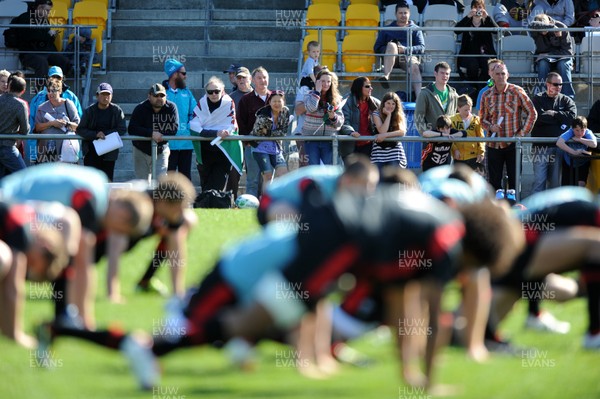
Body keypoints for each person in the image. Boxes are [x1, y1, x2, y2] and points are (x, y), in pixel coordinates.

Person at [1, 163, 154, 330]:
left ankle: (62, 315)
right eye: (119, 230)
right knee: (69, 250)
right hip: (8, 201)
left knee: (63, 250)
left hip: (10, 195)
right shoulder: (91, 200)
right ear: (122, 215)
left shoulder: (98, 182)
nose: (112, 233)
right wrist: (87, 323)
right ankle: (67, 318)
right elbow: (83, 265)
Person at [0, 201, 81, 348]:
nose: (28, 266)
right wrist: (15, 335)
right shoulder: (23, 231)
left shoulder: (27, 223)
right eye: (33, 263)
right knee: (2, 259)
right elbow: (13, 288)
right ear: (45, 246)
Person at [479, 63, 537, 191]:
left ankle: (514, 209)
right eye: (497, 74)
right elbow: (482, 119)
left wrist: (521, 134)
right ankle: (496, 210)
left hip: (513, 145)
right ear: (492, 76)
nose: (500, 76)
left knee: (514, 183)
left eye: (503, 73)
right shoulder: (486, 95)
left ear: (508, 75)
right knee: (493, 184)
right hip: (494, 144)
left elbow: (532, 113)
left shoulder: (517, 91)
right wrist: (490, 127)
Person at [190, 77, 243, 192]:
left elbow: (231, 125)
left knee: (219, 182)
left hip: (223, 149)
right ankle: (205, 205)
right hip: (205, 149)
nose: (214, 94)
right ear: (206, 92)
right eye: (210, 92)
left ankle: (216, 204)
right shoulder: (202, 103)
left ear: (222, 90)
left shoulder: (228, 103)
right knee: (205, 182)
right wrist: (215, 133)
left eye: (217, 91)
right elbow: (194, 125)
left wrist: (222, 132)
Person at [530, 72, 577, 193]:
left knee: (555, 183)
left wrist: (555, 114)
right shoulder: (537, 99)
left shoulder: (566, 100)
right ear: (547, 84)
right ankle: (537, 211)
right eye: (555, 84)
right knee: (539, 181)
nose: (559, 87)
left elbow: (572, 118)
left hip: (558, 147)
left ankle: (553, 211)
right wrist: (560, 120)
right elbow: (538, 118)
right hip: (541, 147)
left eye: (561, 84)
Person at [28, 66, 83, 164]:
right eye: (53, 77)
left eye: (59, 78)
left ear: (62, 79)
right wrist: (33, 153)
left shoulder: (71, 99)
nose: (56, 80)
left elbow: (79, 125)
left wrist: (66, 124)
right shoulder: (38, 99)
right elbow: (33, 127)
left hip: (66, 149)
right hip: (45, 149)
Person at [9, 0, 71, 80]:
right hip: (29, 53)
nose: (48, 13)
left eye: (49, 10)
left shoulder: (45, 20)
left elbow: (46, 39)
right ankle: (40, 90)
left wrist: (52, 35)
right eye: (47, 10)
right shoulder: (25, 18)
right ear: (39, 8)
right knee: (42, 62)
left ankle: (58, 88)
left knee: (64, 60)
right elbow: (29, 37)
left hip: (45, 52)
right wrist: (48, 34)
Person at [129, 83, 179, 182]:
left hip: (161, 149)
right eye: (156, 95)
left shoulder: (171, 107)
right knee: (142, 184)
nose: (159, 98)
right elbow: (132, 128)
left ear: (166, 96)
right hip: (141, 149)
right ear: (149, 96)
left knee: (160, 182)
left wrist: (158, 134)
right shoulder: (140, 108)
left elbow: (174, 129)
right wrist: (151, 133)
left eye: (162, 95)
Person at [77, 83, 126, 181]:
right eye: (103, 94)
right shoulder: (89, 111)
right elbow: (80, 129)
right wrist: (96, 134)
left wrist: (106, 134)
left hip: (109, 152)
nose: (105, 97)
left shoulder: (117, 110)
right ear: (97, 95)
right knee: (90, 183)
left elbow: (122, 129)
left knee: (107, 182)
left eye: (108, 94)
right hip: (91, 152)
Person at [374, 2, 424, 97]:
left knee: (414, 67)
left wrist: (405, 49)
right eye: (400, 13)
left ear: (409, 13)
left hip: (407, 57)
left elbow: (421, 47)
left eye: (405, 13)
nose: (403, 15)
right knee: (392, 45)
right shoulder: (387, 29)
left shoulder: (416, 29)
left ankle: (419, 98)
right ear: (395, 14)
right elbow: (377, 47)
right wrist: (392, 49)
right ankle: (386, 76)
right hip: (390, 58)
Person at [238, 67, 272, 197]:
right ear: (252, 80)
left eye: (265, 77)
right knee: (252, 181)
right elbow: (241, 122)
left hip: (271, 147)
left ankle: (267, 210)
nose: (263, 80)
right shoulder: (245, 100)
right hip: (252, 146)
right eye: (259, 78)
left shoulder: (275, 97)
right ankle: (249, 210)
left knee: (269, 182)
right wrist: (247, 141)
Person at [415, 62, 459, 159]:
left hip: (448, 141)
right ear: (435, 74)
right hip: (431, 141)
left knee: (446, 172)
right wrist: (425, 133)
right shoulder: (425, 93)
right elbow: (419, 117)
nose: (445, 76)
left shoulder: (453, 94)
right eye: (442, 73)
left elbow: (456, 116)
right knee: (429, 172)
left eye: (447, 73)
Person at [163, 59, 196, 181]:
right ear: (174, 74)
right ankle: (166, 200)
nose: (186, 76)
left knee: (185, 177)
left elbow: (195, 113)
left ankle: (187, 200)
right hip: (167, 143)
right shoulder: (162, 93)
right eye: (183, 73)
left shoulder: (187, 93)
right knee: (168, 177)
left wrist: (187, 128)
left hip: (186, 142)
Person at [302, 69, 344, 166]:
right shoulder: (308, 95)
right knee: (313, 170)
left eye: (328, 81)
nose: (326, 84)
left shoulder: (337, 99)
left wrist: (333, 117)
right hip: (311, 139)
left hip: (329, 140)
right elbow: (311, 108)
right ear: (317, 82)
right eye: (323, 81)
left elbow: (340, 123)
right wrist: (317, 92)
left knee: (331, 169)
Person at [251, 90, 290, 192]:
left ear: (283, 102)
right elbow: (257, 132)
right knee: (268, 177)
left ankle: (280, 199)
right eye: (274, 101)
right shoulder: (263, 114)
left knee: (283, 174)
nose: (277, 104)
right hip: (260, 148)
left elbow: (283, 132)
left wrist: (268, 133)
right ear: (269, 102)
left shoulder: (285, 112)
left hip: (276, 147)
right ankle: (266, 202)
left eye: (279, 101)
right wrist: (274, 132)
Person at [529, 14, 576, 98]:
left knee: (563, 65)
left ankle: (568, 97)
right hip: (545, 58)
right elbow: (531, 24)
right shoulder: (535, 28)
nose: (543, 32)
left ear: (549, 21)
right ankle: (542, 96)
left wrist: (548, 55)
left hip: (562, 56)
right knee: (542, 64)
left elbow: (567, 52)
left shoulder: (561, 27)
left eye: (545, 29)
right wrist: (551, 27)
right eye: (541, 29)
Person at [456, 0, 499, 89]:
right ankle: (473, 87)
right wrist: (468, 16)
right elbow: (456, 30)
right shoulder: (467, 21)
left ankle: (485, 88)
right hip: (468, 54)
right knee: (473, 64)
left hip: (485, 54)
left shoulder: (487, 22)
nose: (477, 10)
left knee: (487, 64)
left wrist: (487, 17)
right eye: (475, 7)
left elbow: (497, 31)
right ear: (471, 9)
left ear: (483, 9)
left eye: (480, 7)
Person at [340, 77, 380, 160]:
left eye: (370, 86)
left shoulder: (375, 102)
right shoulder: (347, 101)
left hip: (369, 144)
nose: (371, 88)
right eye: (367, 86)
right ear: (359, 88)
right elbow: (343, 121)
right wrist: (351, 132)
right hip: (351, 145)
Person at [228, 67, 253, 197]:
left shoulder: (258, 94)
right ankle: (230, 199)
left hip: (254, 140)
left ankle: (255, 200)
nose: (242, 80)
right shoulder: (229, 98)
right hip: (235, 140)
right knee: (233, 172)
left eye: (244, 77)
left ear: (250, 78)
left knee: (253, 173)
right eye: (239, 78)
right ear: (236, 81)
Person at [556, 116, 598, 186]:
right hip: (568, 162)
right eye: (577, 130)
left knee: (581, 185)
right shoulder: (570, 132)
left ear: (586, 128)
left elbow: (594, 144)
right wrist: (574, 152)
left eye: (582, 130)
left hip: (582, 163)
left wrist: (580, 139)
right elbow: (559, 142)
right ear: (573, 129)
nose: (580, 133)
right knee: (567, 187)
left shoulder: (588, 132)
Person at [371, 91, 408, 170]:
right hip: (379, 153)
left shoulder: (399, 114)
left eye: (393, 104)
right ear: (383, 103)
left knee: (394, 180)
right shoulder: (376, 113)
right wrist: (388, 116)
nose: (390, 106)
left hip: (395, 153)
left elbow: (402, 132)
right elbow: (382, 131)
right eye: (388, 103)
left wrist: (385, 136)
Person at [0, 76, 28, 178]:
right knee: (25, 177)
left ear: (9, 86)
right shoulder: (20, 105)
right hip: (8, 147)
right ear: (23, 91)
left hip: (6, 146)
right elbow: (25, 130)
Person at [451, 95, 485, 173]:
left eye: (469, 110)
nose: (468, 112)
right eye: (465, 110)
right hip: (458, 157)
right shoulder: (452, 120)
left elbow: (481, 137)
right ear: (458, 108)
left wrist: (481, 151)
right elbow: (449, 138)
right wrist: (454, 150)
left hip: (474, 157)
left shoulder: (476, 120)